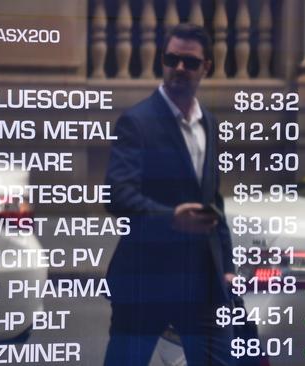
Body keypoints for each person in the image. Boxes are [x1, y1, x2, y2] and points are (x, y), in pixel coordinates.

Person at [103, 23, 235, 366]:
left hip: (201, 283)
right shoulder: (138, 122)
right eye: (171, 58)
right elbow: (117, 195)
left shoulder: (210, 122)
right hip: (147, 277)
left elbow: (212, 200)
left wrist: (227, 266)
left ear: (206, 66)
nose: (179, 68)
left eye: (189, 62)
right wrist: (170, 219)